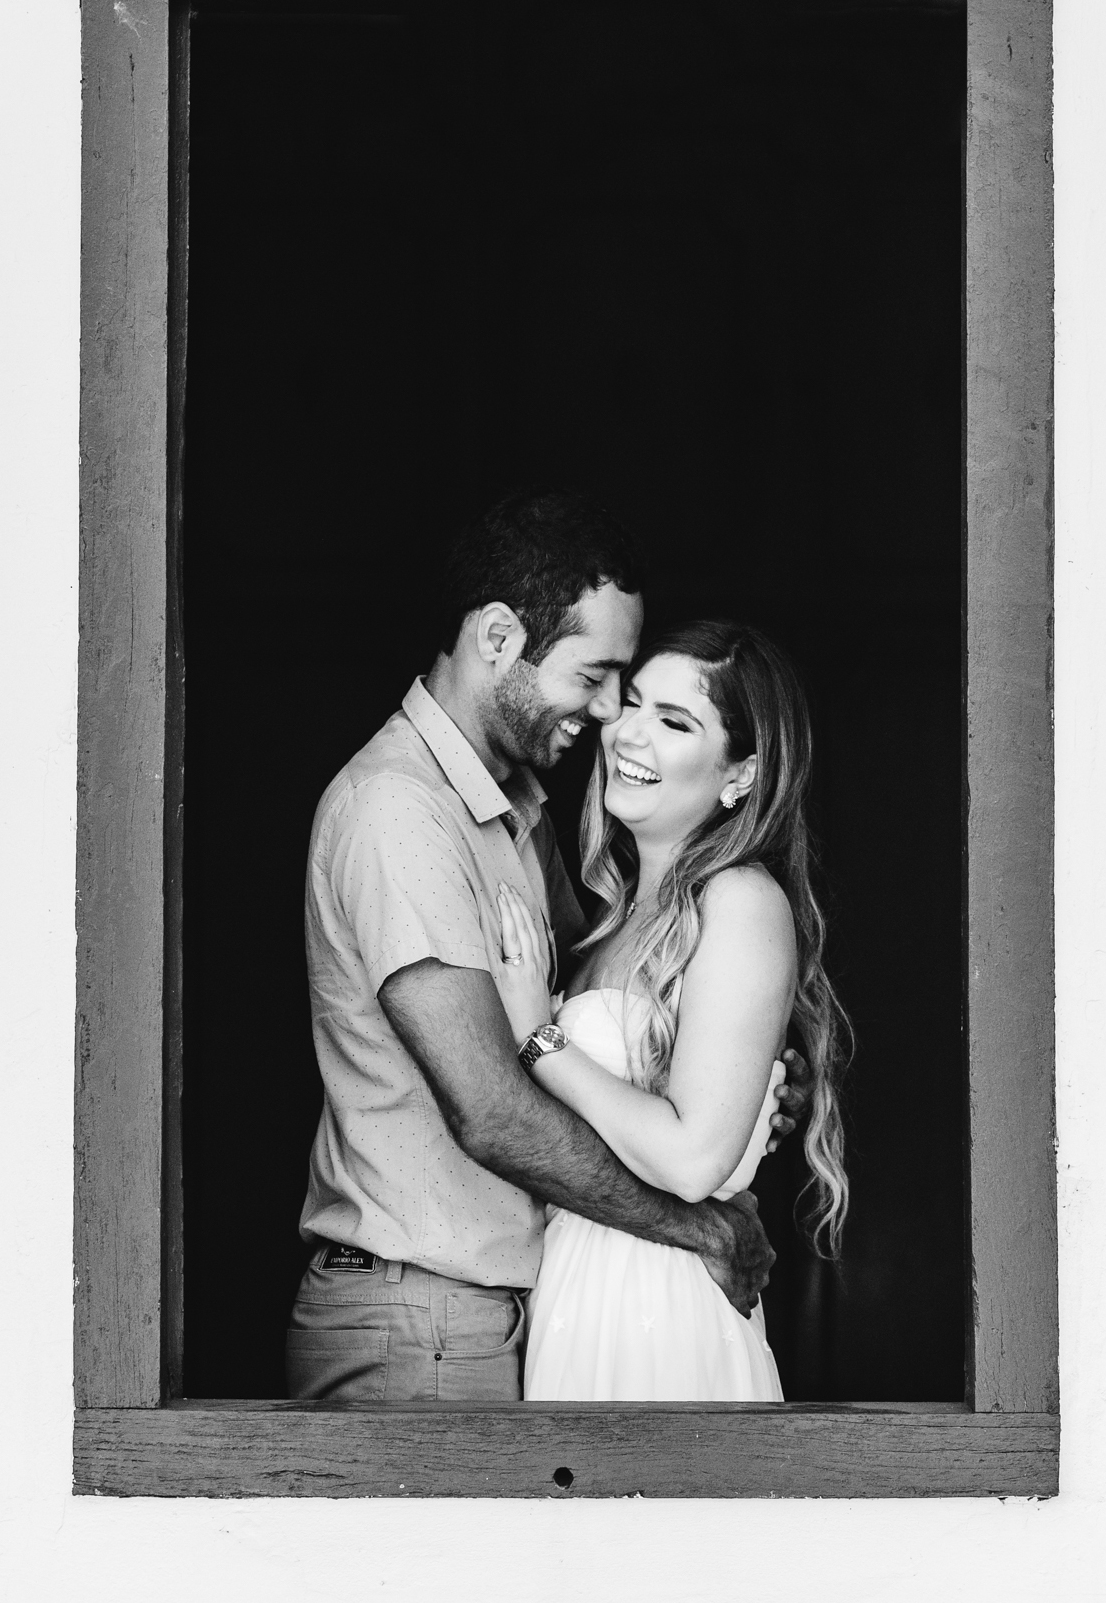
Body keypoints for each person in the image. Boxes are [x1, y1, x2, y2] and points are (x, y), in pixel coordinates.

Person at [285, 493, 811, 1404]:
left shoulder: (518, 813)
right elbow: (493, 1107)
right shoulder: (400, 813)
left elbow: (614, 1024)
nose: (610, 713)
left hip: (525, 1307)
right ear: (498, 637)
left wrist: (746, 1072)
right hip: (423, 1307)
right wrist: (698, 1226)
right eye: (601, 677)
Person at [495, 620, 849, 1401]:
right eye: (633, 703)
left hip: (661, 1313)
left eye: (676, 722)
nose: (630, 732)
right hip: (575, 1299)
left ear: (742, 774)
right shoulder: (611, 919)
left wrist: (539, 1040)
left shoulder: (741, 902)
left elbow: (692, 1159)